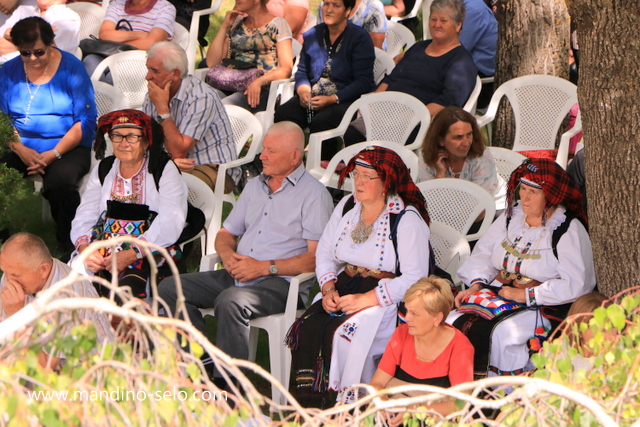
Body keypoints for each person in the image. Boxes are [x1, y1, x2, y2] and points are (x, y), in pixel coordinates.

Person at [158, 122, 333, 383]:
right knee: (170, 287)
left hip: (280, 284)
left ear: (295, 157)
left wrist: (264, 267)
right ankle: (199, 365)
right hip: (237, 272)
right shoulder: (255, 187)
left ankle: (229, 387)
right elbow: (225, 234)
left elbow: (315, 258)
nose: (261, 156)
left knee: (231, 299)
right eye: (264, 149)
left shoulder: (314, 195)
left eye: (271, 152)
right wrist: (228, 257)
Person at [288, 145, 432, 408]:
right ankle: (311, 407)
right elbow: (324, 252)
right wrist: (329, 286)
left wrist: (367, 299)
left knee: (344, 336)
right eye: (356, 174)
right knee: (306, 328)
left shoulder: (406, 218)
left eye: (368, 176)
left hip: (387, 294)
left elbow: (415, 277)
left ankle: (352, 408)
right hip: (345, 283)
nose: (359, 182)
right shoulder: (347, 205)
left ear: (387, 181)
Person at [448, 157, 596, 379]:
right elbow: (484, 253)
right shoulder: (513, 216)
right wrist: (476, 284)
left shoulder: (567, 228)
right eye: (522, 189)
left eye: (533, 192)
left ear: (551, 195)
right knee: (451, 322)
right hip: (496, 292)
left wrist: (527, 295)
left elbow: (577, 284)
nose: (524, 197)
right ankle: (454, 388)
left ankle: (495, 396)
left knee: (500, 334)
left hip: (541, 305)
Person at [0, 17, 97, 254]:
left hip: (68, 146)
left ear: (51, 43)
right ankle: (2, 234)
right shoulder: (7, 72)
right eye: (25, 53)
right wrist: (20, 149)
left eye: (39, 52)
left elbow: (85, 121)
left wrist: (53, 154)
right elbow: (2, 119)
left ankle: (69, 243)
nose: (32, 58)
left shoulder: (72, 68)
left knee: (60, 183)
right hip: (20, 145)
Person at [70, 109, 188, 301]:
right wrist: (85, 249)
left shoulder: (163, 169)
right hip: (102, 251)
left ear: (146, 140)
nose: (123, 143)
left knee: (127, 297)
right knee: (73, 288)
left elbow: (170, 222)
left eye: (131, 137)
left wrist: (133, 253)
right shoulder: (105, 168)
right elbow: (85, 214)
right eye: (117, 136)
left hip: (149, 250)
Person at [344, 0, 477, 146]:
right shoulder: (419, 47)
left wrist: (410, 116)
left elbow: (448, 101)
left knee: (380, 146)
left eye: (443, 21)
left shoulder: (461, 62)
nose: (436, 25)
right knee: (352, 133)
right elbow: (391, 79)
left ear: (458, 25)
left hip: (419, 121)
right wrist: (373, 104)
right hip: (387, 112)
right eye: (433, 19)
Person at [273, 0, 375, 160]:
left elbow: (364, 82)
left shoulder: (360, 39)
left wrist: (332, 99)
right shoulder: (313, 34)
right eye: (326, 4)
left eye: (336, 5)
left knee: (322, 122)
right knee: (284, 113)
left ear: (348, 11)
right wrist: (303, 90)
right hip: (313, 96)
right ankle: (287, 162)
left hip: (346, 99)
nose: (329, 9)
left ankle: (323, 168)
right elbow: (302, 71)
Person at [0, 232, 115, 370]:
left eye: (15, 275)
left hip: (89, 377)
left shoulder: (70, 297)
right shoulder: (13, 274)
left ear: (43, 270)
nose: (7, 281)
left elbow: (45, 369)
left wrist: (16, 318)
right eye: (4, 272)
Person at [370, 276, 474, 423]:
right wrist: (382, 402)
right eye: (407, 311)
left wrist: (414, 410)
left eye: (415, 313)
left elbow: (460, 404)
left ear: (437, 318)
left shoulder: (460, 347)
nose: (406, 318)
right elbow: (377, 383)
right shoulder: (402, 333)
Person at [142, 41, 239, 192]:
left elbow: (178, 151)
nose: (147, 77)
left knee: (169, 185)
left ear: (175, 74)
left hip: (212, 168)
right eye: (148, 68)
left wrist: (162, 109)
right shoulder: (154, 92)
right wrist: (165, 162)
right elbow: (147, 139)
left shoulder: (201, 97)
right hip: (174, 162)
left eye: (155, 71)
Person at [204, 0, 294, 113]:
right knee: (203, 101)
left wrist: (259, 82)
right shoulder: (236, 23)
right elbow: (212, 62)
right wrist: (224, 27)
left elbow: (286, 69)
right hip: (230, 83)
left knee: (224, 107)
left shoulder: (278, 24)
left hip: (259, 90)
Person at [419, 106, 506, 209]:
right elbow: (428, 202)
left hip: (493, 208)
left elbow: (480, 207)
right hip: (450, 210)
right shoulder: (428, 156)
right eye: (458, 137)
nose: (466, 143)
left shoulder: (482, 157)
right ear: (440, 140)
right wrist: (440, 175)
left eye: (469, 134)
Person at [82, 0, 176, 81]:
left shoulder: (166, 8)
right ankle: (92, 100)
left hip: (140, 60)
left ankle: (103, 100)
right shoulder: (117, 3)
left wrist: (116, 42)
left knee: (115, 76)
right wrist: (138, 34)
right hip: (107, 55)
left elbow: (151, 44)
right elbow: (105, 34)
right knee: (90, 61)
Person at [0, 0, 80, 65]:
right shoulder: (23, 10)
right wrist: (36, 39)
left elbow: (50, 55)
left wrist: (11, 35)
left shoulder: (68, 17)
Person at [317, 0, 386, 49]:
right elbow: (319, 39)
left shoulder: (373, 7)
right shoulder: (325, 5)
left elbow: (375, 48)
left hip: (363, 59)